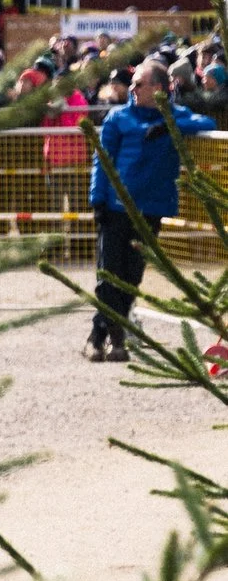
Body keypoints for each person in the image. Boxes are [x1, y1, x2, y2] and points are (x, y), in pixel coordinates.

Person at [88, 60, 217, 360]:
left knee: (132, 275)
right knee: (109, 273)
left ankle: (99, 333)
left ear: (159, 88)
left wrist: (168, 126)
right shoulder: (118, 118)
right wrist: (97, 200)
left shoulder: (174, 115)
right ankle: (114, 338)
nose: (132, 88)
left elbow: (206, 124)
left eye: (139, 84)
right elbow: (102, 159)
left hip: (151, 208)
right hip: (116, 206)